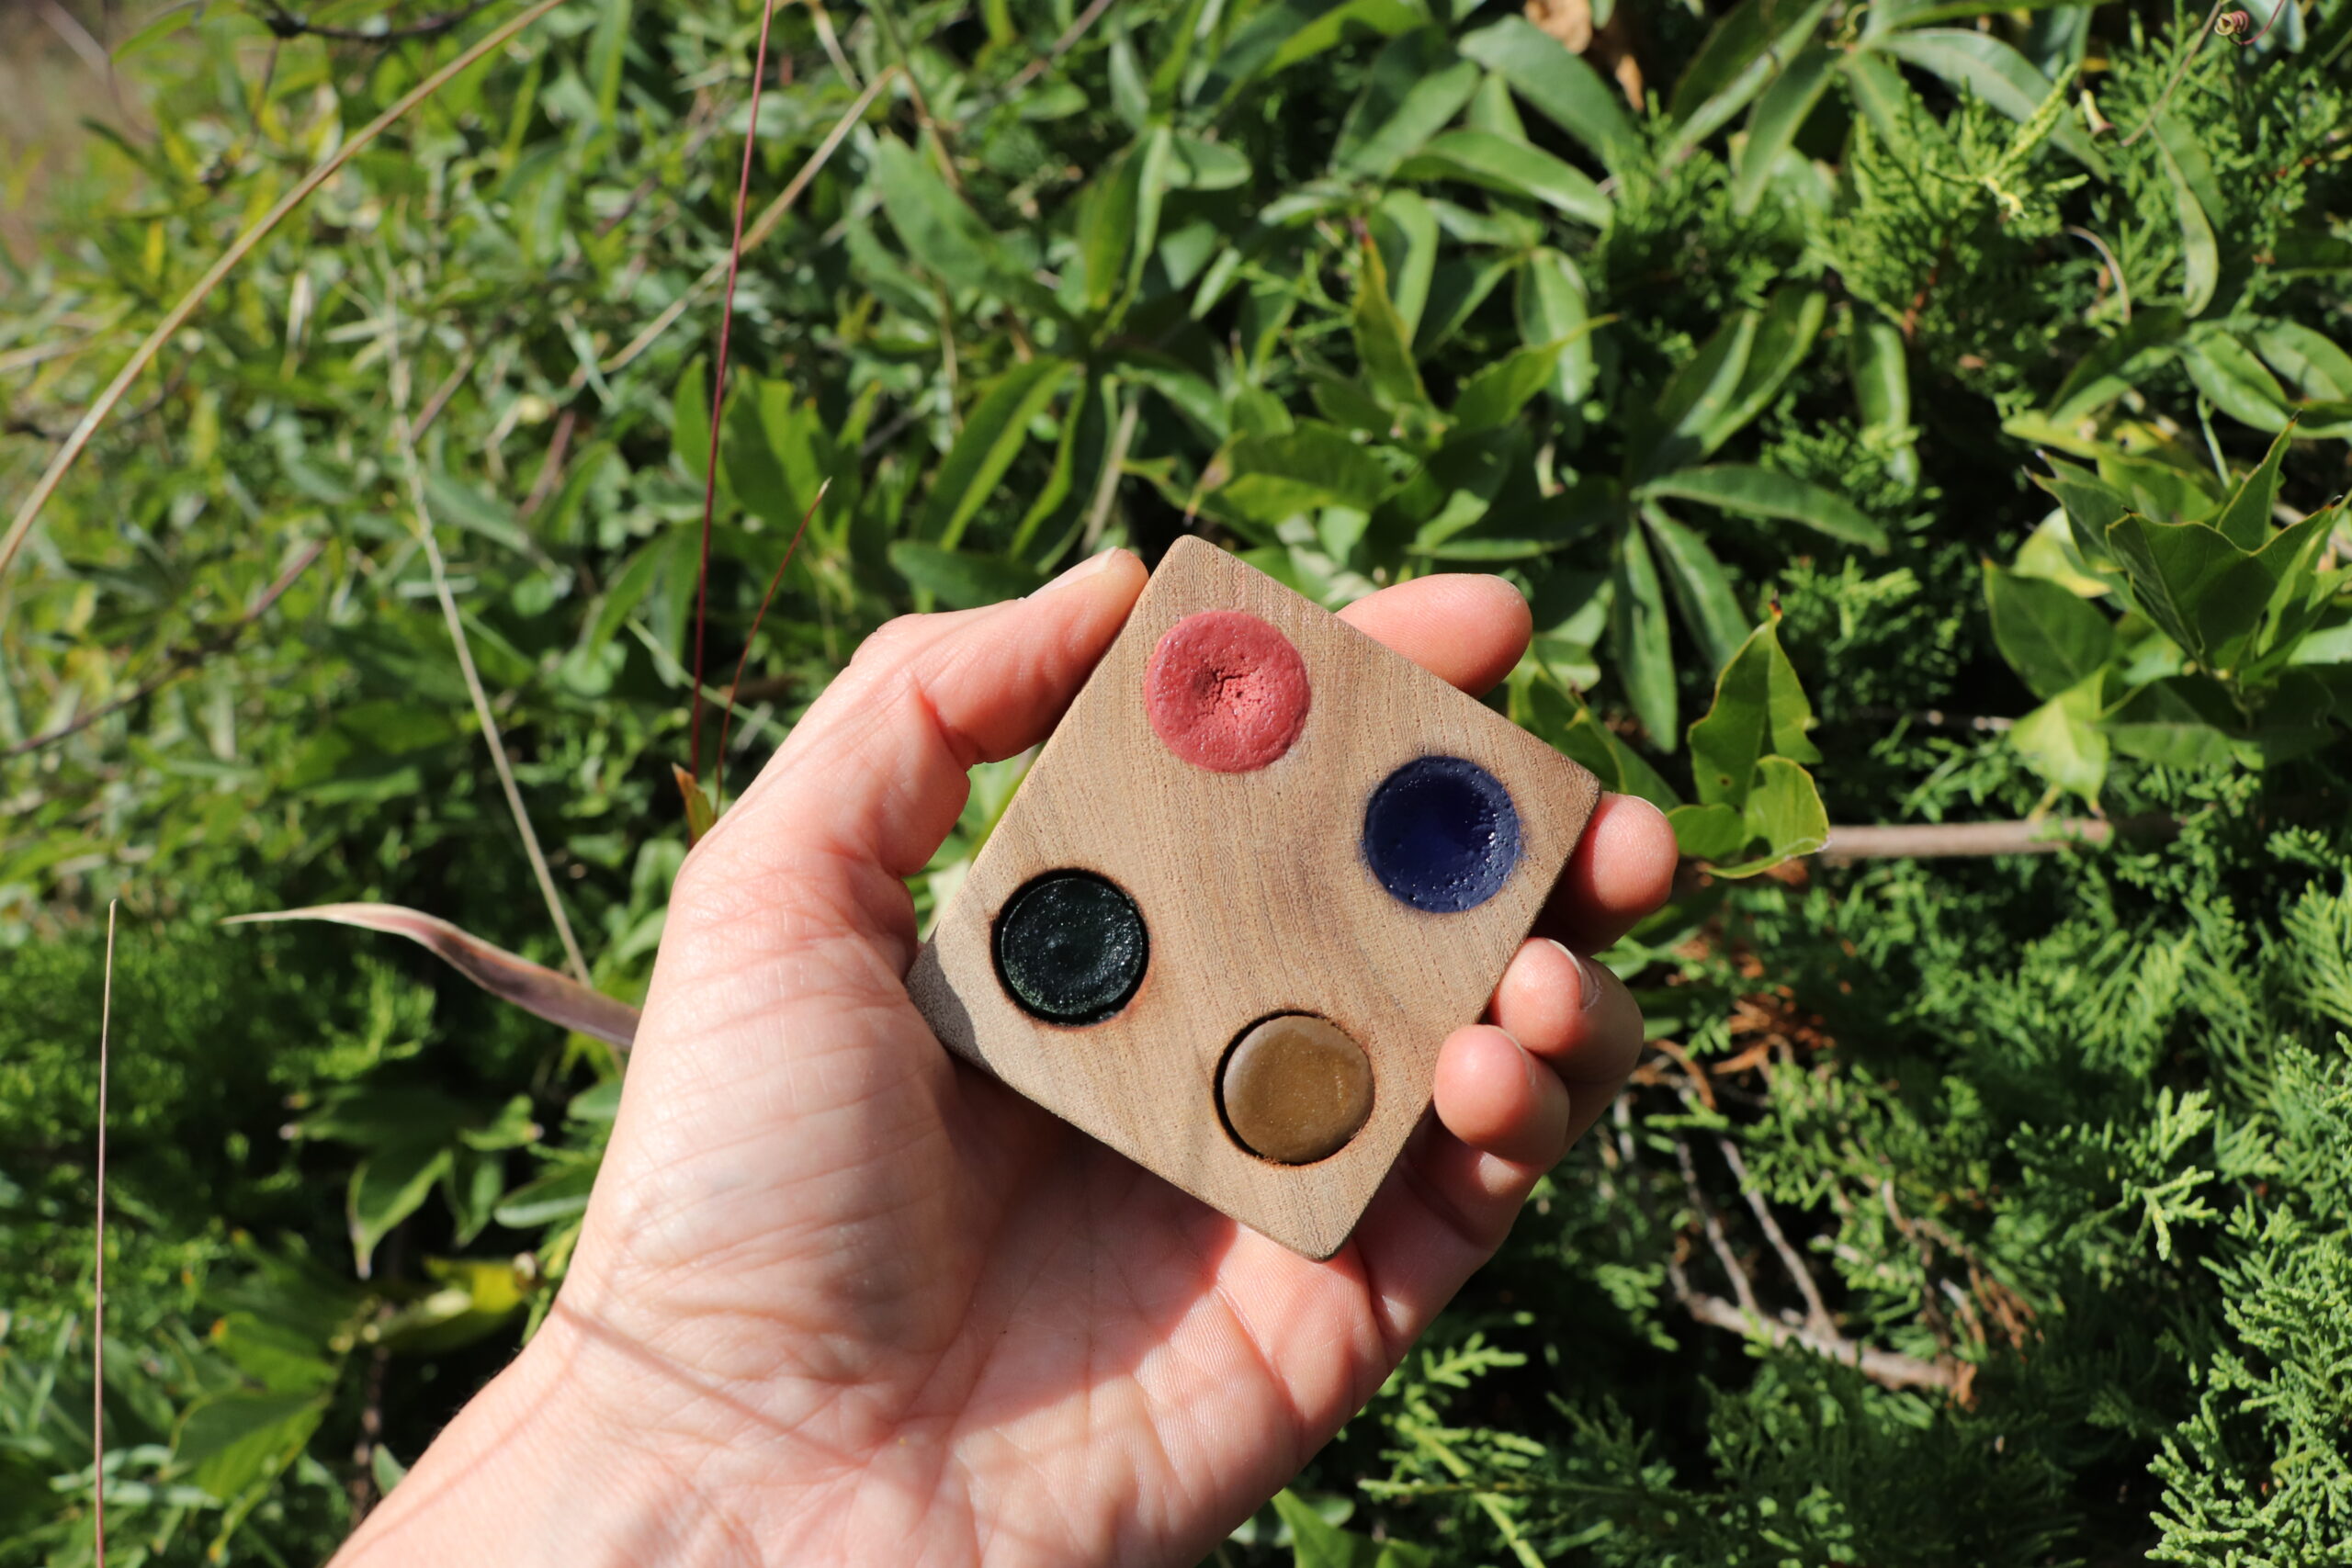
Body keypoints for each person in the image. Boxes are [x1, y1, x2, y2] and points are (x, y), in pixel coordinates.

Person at [331, 547, 1678, 1567]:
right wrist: (715, 1428)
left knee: (1521, 967)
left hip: (1225, 1156)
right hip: (1081, 1101)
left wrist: (701, 1442)